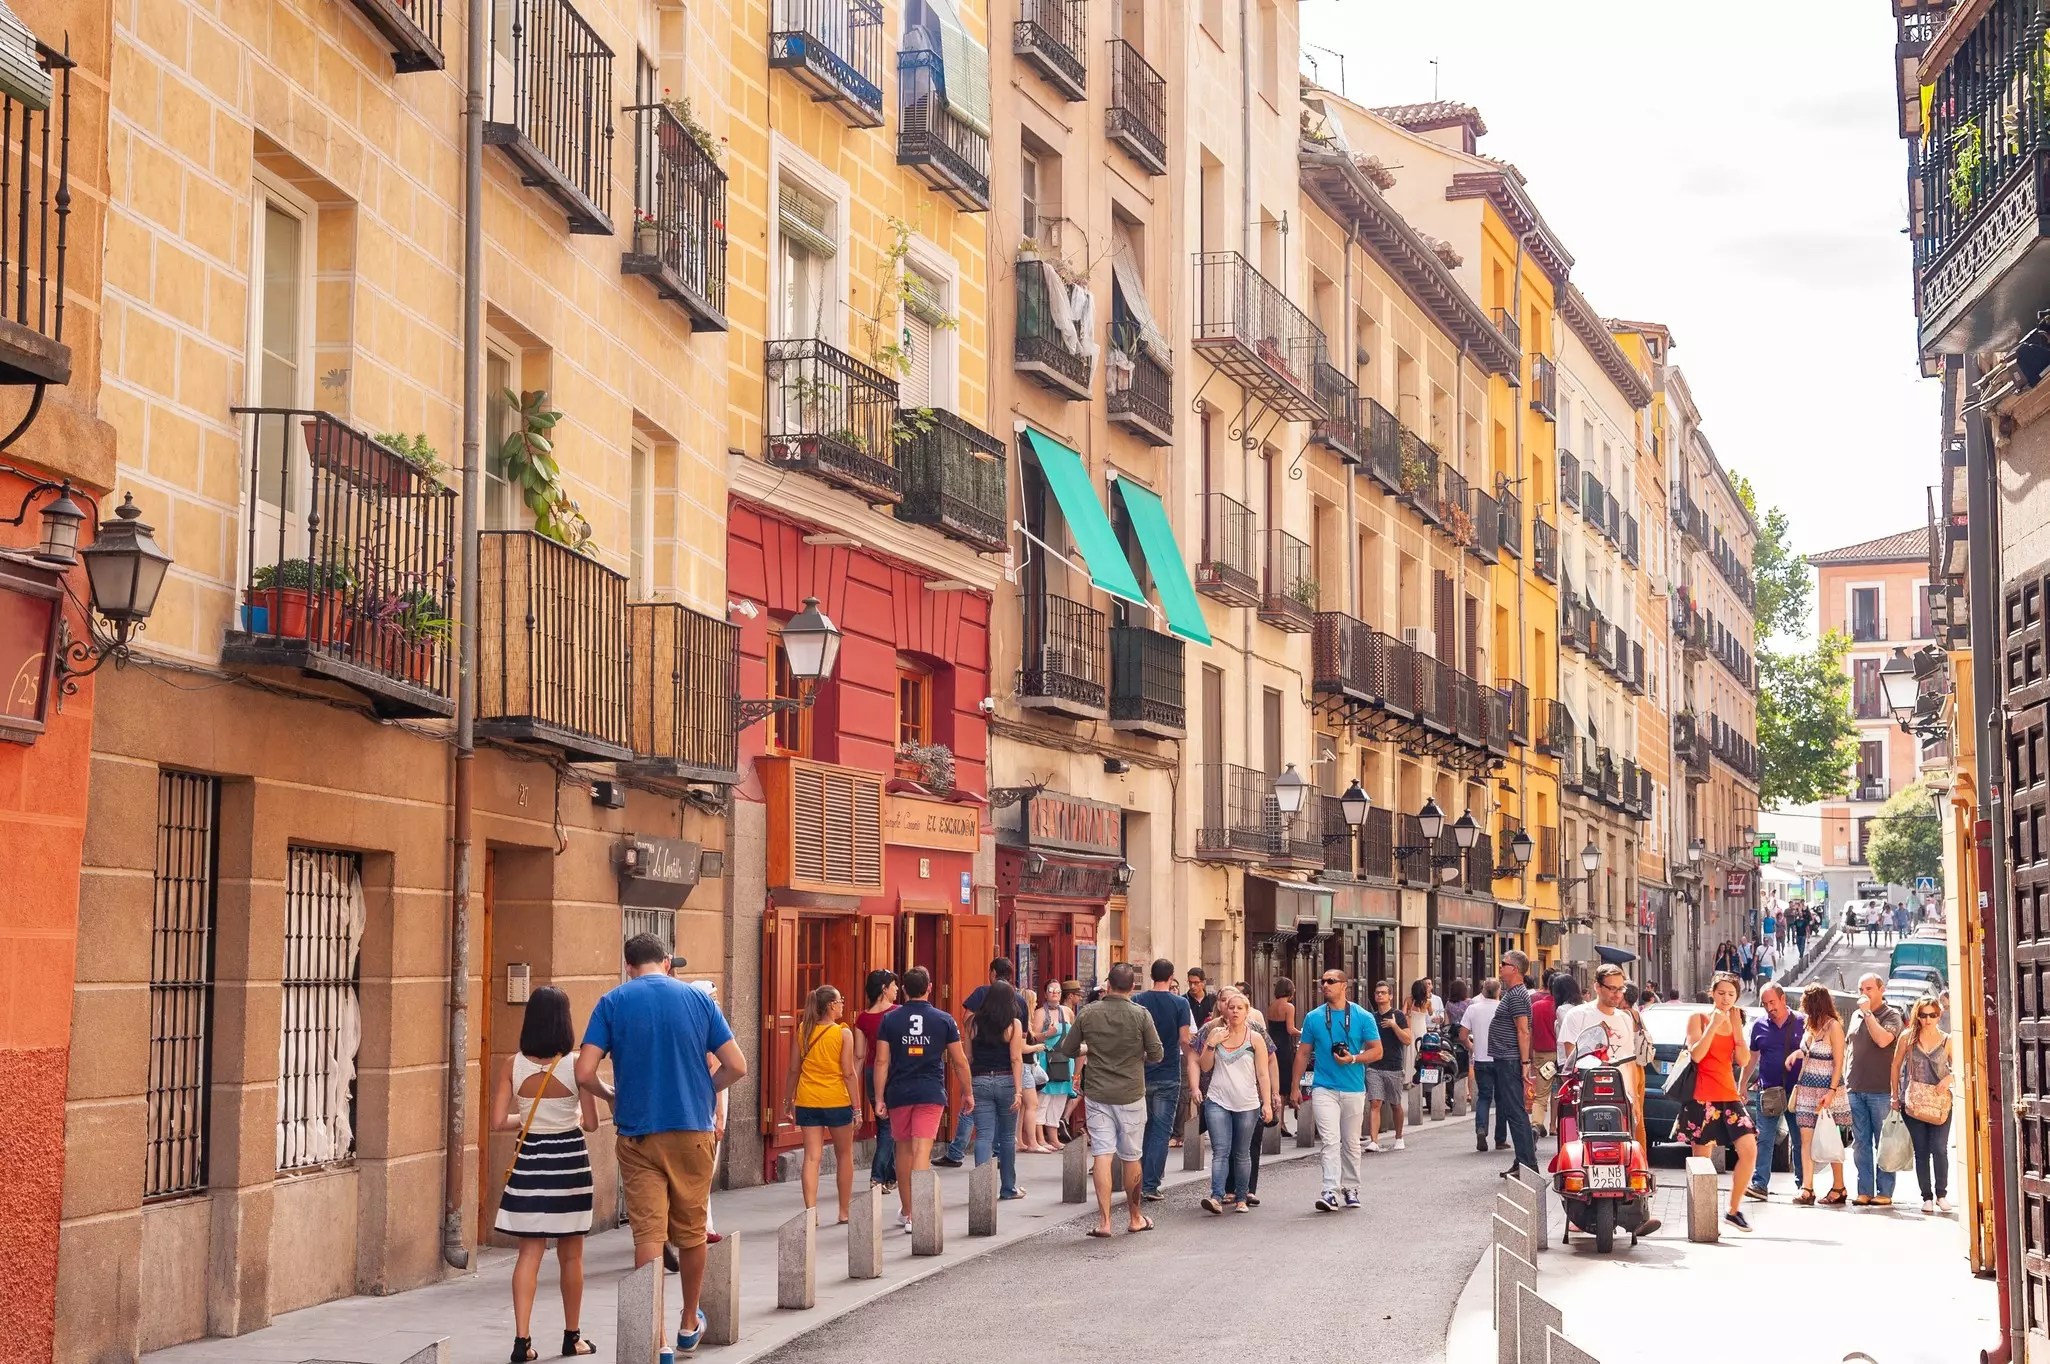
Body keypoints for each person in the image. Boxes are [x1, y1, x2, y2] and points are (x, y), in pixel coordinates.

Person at [576, 935, 746, 1355]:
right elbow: (737, 1065)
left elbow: (582, 1072)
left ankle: (658, 1338)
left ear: (628, 965)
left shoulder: (612, 1002)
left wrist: (609, 1093)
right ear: (667, 963)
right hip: (692, 1130)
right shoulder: (698, 1001)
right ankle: (690, 1320)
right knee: (691, 1232)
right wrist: (706, 1089)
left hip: (638, 1134)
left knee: (647, 1234)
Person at [494, 986, 600, 1361]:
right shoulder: (576, 1065)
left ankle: (521, 1343)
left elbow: (496, 1121)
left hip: (530, 1162)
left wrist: (528, 1118)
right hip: (569, 1162)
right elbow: (591, 1123)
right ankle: (573, 1337)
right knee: (572, 1256)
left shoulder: (512, 1065)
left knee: (529, 1254)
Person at [1055, 960, 1164, 1236]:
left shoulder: (1089, 1013)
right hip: (1130, 1092)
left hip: (1098, 1092)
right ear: (1133, 987)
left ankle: (1104, 1222)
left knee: (1102, 1154)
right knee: (1131, 1156)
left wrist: (1092, 1047)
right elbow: (1157, 1054)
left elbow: (1068, 1049)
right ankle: (1135, 1217)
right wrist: (1137, 1055)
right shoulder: (1141, 1015)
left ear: (1108, 984)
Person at [874, 966, 973, 1235]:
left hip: (899, 1092)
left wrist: (879, 1097)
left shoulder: (890, 1020)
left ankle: (907, 1211)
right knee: (922, 1151)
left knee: (903, 1151)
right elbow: (960, 1061)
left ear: (903, 989)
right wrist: (968, 1092)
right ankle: (916, 1214)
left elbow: (881, 1061)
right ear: (929, 987)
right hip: (930, 1092)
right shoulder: (944, 1020)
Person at [1290, 968, 1381, 1211]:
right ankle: (1329, 1190)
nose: (1325, 985)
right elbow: (1302, 1053)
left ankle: (1350, 1187)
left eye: (1331, 981)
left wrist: (1353, 1058)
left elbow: (1377, 1050)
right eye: (1323, 982)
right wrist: (1294, 1086)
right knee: (1330, 1140)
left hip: (1353, 1087)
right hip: (1324, 1087)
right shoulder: (1313, 1017)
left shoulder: (1362, 1016)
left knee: (1351, 1142)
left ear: (1344, 985)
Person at [1681, 973, 1758, 1232]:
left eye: (1731, 994)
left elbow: (1744, 1060)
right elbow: (1697, 1055)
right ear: (1712, 993)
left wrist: (1736, 1029)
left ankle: (1733, 1210)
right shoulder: (1698, 1019)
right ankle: (1701, 1219)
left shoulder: (1737, 1020)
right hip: (1703, 1096)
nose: (1726, 999)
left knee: (1749, 1149)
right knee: (1701, 1162)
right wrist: (1713, 1026)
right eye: (1721, 993)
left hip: (1729, 1096)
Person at [780, 984, 859, 1225]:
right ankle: (843, 1211)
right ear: (831, 1006)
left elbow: (794, 1068)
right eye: (840, 1001)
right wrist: (857, 1107)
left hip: (807, 1099)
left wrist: (787, 1099)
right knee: (844, 1155)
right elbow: (848, 1073)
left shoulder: (804, 1031)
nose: (843, 1004)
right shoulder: (843, 1033)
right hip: (836, 1100)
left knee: (811, 1157)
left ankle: (811, 1211)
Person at [940, 957, 1030, 1166]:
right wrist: (1019, 1089)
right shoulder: (1020, 1002)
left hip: (980, 1073)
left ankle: (976, 1178)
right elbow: (1018, 1051)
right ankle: (1008, 1182)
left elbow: (965, 1024)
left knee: (981, 1130)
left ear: (992, 973)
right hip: (1007, 1074)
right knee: (1007, 1134)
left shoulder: (981, 994)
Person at [1197, 990, 1273, 1213]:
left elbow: (1263, 1074)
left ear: (1247, 1012)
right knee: (1221, 1151)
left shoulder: (1255, 1038)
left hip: (1247, 1103)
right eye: (1231, 1007)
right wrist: (1211, 1045)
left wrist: (1267, 1103)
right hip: (1218, 1100)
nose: (1235, 1011)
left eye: (1240, 1008)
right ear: (1224, 1011)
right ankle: (1216, 1196)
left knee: (1241, 1152)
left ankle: (1242, 1196)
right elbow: (1205, 1066)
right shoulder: (1216, 1034)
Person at [1133, 959, 1194, 1201]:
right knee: (1161, 1130)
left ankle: (1137, 1179)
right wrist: (1193, 1063)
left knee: (1143, 1129)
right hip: (1168, 1071)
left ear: (1151, 976)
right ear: (1171, 977)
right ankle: (1150, 1183)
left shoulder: (1138, 1001)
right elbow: (1184, 1039)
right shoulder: (1181, 1003)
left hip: (1142, 1073)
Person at [965, 977, 1028, 1200]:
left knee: (983, 1135)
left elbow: (968, 1057)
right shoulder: (1013, 1024)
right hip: (1006, 1081)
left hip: (980, 1080)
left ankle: (982, 1190)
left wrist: (967, 1088)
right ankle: (1008, 1188)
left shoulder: (972, 1023)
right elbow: (1015, 1059)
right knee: (1007, 1136)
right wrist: (1019, 1091)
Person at [1789, 982, 1851, 1206]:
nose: (1802, 1007)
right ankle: (1807, 1188)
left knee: (1829, 1138)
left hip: (1827, 1089)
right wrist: (1796, 1054)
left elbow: (1839, 1061)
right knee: (1805, 1138)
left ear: (1814, 1003)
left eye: (1805, 1002)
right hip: (1807, 1089)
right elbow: (1807, 1052)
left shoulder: (1833, 1026)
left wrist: (1832, 1091)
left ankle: (1838, 1187)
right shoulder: (1809, 1027)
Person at [1891, 994, 1953, 1214]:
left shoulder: (1947, 1040)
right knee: (1922, 1150)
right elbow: (1896, 1065)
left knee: (1939, 1148)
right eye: (1923, 1015)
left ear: (1939, 1016)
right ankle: (1926, 1196)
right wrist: (1894, 1095)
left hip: (1939, 1103)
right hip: (1914, 1102)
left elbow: (1961, 1070)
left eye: (1932, 1015)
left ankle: (1942, 1194)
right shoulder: (1908, 1037)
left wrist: (1949, 1078)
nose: (1927, 1020)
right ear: (1917, 1015)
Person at [1845, 972, 1904, 1207]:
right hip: (1855, 1087)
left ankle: (1885, 1191)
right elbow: (1851, 1046)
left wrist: (1868, 1013)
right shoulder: (1856, 1015)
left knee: (1884, 1143)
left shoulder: (1892, 1015)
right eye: (1861, 989)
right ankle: (1864, 1190)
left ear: (1882, 990)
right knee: (1860, 1143)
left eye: (1869, 988)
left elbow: (1883, 1040)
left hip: (1880, 1091)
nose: (1864, 993)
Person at [1746, 981, 1806, 1202]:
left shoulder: (1802, 1022)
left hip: (1798, 1092)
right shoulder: (1759, 1025)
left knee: (1799, 1140)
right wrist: (1742, 1083)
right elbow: (1752, 1057)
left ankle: (1803, 1185)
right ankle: (1760, 1184)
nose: (1769, 1007)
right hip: (1769, 1091)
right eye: (1765, 1004)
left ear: (1783, 999)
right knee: (1764, 1139)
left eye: (1772, 1002)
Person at [852, 969, 900, 1194]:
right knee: (890, 1125)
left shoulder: (862, 1017)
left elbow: (859, 1054)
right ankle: (877, 1176)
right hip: (894, 1071)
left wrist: (853, 1082)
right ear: (884, 989)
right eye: (893, 985)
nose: (897, 989)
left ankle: (891, 1176)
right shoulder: (898, 1013)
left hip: (872, 1072)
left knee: (885, 1124)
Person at [1491, 951, 1538, 1178]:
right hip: (1506, 1058)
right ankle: (1522, 1161)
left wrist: (1525, 1063)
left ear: (1515, 969)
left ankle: (1528, 1165)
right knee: (1514, 1112)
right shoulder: (1513, 993)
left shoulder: (1517, 995)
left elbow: (1523, 1030)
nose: (1500, 967)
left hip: (1510, 1059)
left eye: (1504, 964)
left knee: (1516, 1113)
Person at [1459, 978, 1505, 1154]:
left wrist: (1472, 1047)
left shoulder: (1473, 1008)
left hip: (1481, 1059)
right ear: (1498, 991)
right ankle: (1500, 1139)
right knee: (1501, 1099)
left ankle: (1481, 1129)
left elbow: (1463, 1035)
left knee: (1484, 1097)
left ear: (1483, 990)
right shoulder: (1503, 1008)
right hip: (1501, 1059)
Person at [1366, 980, 1412, 1153]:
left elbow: (1407, 1039)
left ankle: (1399, 1137)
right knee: (1375, 1102)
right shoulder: (1371, 1017)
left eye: (1383, 993)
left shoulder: (1398, 1016)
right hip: (1375, 1066)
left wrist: (1394, 1026)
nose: (1379, 995)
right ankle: (1374, 1141)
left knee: (1395, 1104)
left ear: (1390, 996)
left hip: (1393, 1065)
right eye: (1377, 993)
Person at [1035, 980, 1076, 1149]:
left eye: (1058, 990)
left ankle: (1054, 1137)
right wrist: (1047, 1034)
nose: (1054, 993)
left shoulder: (1067, 1011)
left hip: (1065, 1060)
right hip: (1047, 1059)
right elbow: (1034, 1037)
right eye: (1051, 990)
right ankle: (1039, 1138)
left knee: (1059, 1099)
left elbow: (1074, 1033)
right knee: (1043, 1099)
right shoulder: (1040, 1013)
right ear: (1045, 993)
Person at [1530, 973, 1561, 1138]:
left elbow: (1530, 1032)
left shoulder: (1536, 1006)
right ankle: (1554, 1125)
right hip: (1563, 1056)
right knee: (1559, 1092)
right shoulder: (1563, 1008)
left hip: (1542, 1056)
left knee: (1541, 1095)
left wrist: (1527, 1057)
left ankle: (1536, 1124)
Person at [1264, 978, 1299, 1130]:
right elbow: (1290, 1029)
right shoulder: (1288, 1006)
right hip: (1284, 1046)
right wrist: (1303, 1033)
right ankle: (1282, 1122)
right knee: (1284, 1085)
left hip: (1271, 1045)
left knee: (1273, 1083)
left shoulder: (1271, 1005)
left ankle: (1274, 1116)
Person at [1017, 988, 1048, 1152]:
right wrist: (1037, 1047)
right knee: (1032, 1104)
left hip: (1025, 1066)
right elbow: (1022, 1048)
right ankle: (1033, 1143)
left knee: (1023, 1106)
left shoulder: (1025, 1021)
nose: (1036, 1004)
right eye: (1034, 1001)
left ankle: (1020, 1141)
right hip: (1024, 1066)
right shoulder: (1023, 1020)